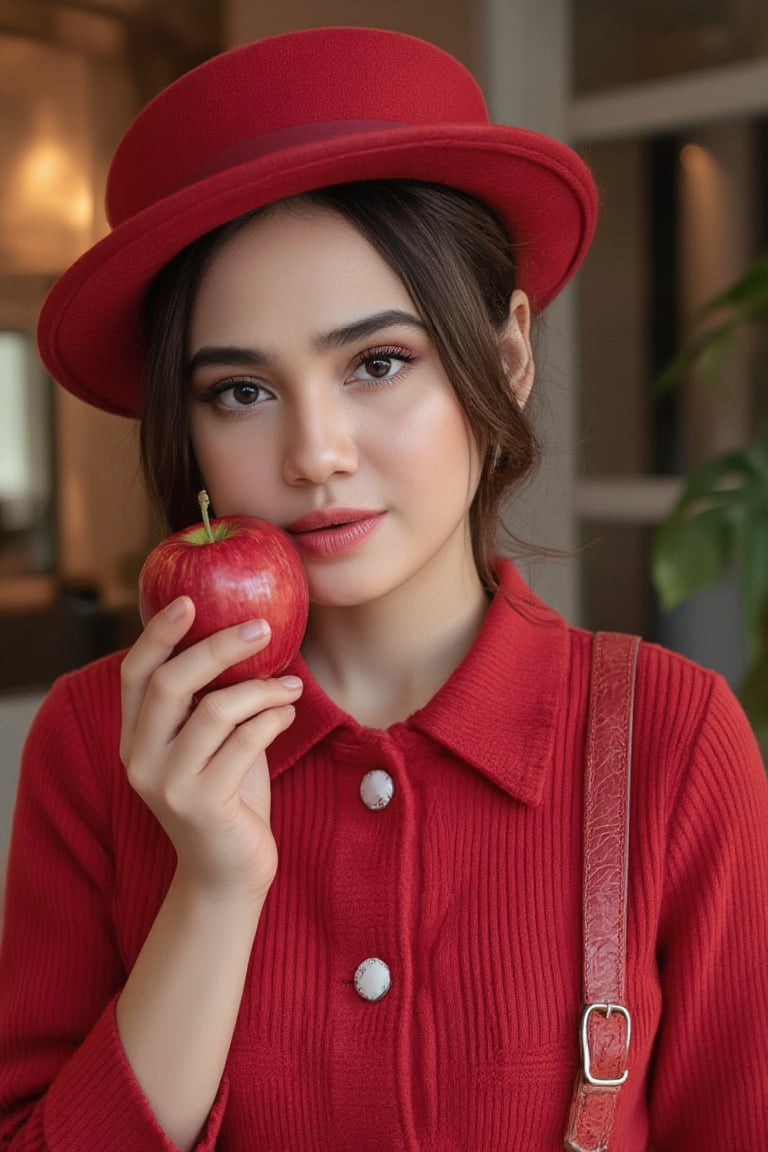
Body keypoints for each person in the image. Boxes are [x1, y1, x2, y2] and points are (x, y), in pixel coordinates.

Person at [0, 26, 766, 1152]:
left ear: (506, 355)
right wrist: (212, 892)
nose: (316, 453)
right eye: (243, 391)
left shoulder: (673, 741)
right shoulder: (91, 745)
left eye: (377, 363)